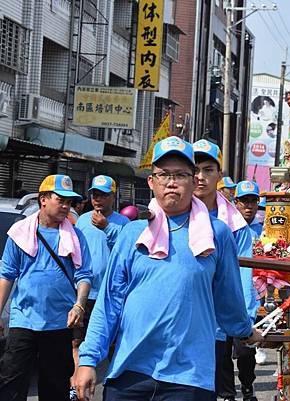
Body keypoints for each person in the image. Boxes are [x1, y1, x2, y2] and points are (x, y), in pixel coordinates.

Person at [74, 136, 261, 401]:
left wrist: (245, 331)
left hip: (189, 378)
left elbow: (228, 299)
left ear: (192, 180)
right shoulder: (133, 234)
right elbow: (109, 302)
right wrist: (88, 358)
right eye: (163, 174)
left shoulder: (217, 234)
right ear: (151, 182)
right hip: (130, 372)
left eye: (181, 174)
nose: (171, 182)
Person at [0, 175, 93, 401]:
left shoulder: (76, 237)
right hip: (23, 321)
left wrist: (80, 305)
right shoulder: (20, 233)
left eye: (69, 202)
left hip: (59, 324)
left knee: (55, 388)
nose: (65, 206)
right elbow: (7, 275)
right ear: (43, 199)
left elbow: (84, 275)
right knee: (11, 385)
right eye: (60, 199)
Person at [192, 139, 259, 401]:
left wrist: (244, 319)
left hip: (216, 319)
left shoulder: (233, 224)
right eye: (194, 169)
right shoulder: (169, 212)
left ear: (219, 175)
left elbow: (241, 273)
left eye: (208, 170)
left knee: (211, 384)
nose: (200, 177)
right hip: (180, 316)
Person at [72, 175, 130, 392]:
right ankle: (77, 383)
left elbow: (126, 254)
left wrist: (107, 227)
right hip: (84, 293)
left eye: (103, 195)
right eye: (95, 194)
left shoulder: (124, 224)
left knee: (114, 343)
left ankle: (113, 384)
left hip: (112, 293)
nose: (98, 199)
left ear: (113, 197)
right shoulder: (82, 220)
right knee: (77, 341)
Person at [234, 181, 269, 366]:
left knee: (247, 347)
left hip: (257, 290)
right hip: (233, 287)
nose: (248, 206)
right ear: (236, 202)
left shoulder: (264, 230)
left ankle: (248, 390)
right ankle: (228, 394)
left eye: (252, 201)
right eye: (244, 201)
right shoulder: (228, 228)